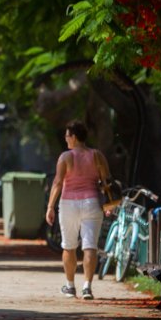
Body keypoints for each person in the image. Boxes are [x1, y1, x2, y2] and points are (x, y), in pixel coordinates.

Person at [45, 120, 110, 300]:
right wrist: (109, 206)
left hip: (68, 204)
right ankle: (87, 287)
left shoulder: (66, 157)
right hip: (92, 202)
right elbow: (106, 182)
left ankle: (70, 285)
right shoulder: (97, 155)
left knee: (69, 246)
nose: (66, 139)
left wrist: (50, 206)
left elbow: (58, 183)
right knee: (90, 246)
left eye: (67, 136)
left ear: (73, 136)